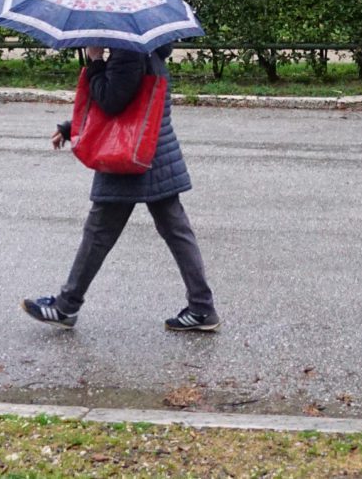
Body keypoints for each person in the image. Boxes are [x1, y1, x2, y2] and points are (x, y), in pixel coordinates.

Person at [21, 44, 220, 332]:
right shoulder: (150, 51)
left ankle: (66, 306)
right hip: (153, 152)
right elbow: (130, 99)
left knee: (99, 232)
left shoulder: (128, 53)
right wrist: (71, 126)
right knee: (175, 230)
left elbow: (112, 101)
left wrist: (95, 60)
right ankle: (202, 308)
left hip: (129, 156)